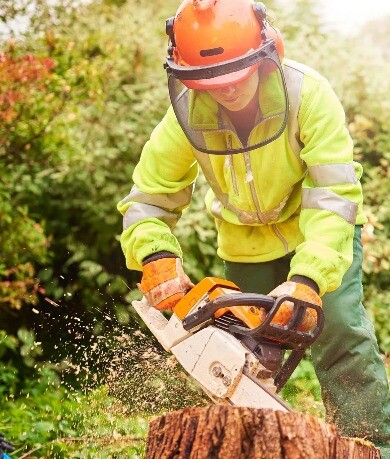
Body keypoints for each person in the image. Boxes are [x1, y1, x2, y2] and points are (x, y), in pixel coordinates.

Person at [117, 0, 390, 454]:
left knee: (339, 328)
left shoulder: (309, 93)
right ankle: (247, 444)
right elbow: (148, 197)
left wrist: (308, 280)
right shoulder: (184, 115)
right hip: (245, 244)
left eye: (235, 76)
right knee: (240, 352)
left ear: (267, 53)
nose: (223, 90)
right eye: (208, 82)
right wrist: (155, 254)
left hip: (318, 235)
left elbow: (334, 195)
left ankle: (375, 447)